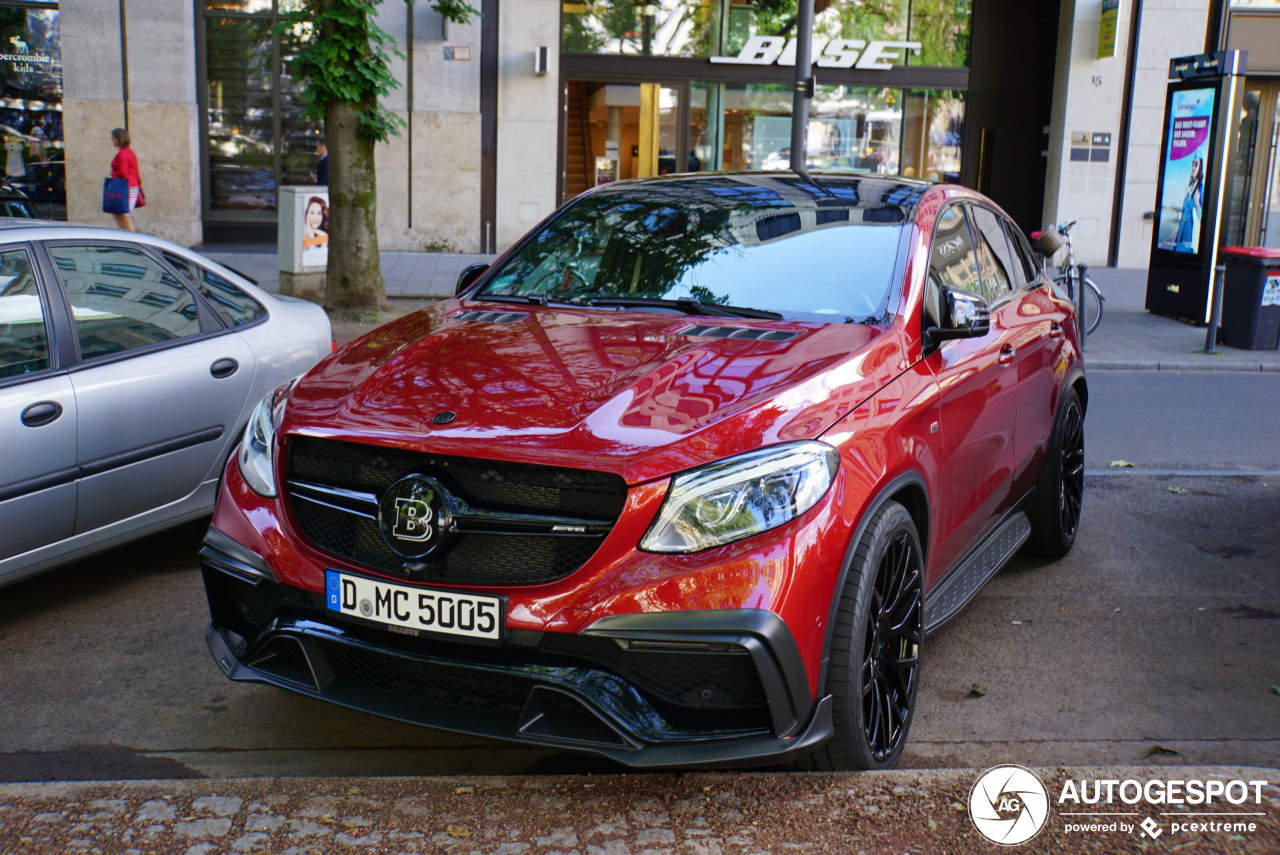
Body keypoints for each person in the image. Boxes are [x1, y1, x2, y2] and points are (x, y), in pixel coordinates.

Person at [108, 127, 141, 231]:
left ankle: (133, 239)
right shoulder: (129, 152)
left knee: (124, 215)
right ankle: (127, 236)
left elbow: (123, 172)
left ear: (118, 139)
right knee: (119, 214)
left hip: (126, 187)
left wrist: (113, 174)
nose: (112, 139)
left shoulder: (123, 153)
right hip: (131, 185)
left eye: (113, 137)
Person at [1174, 156, 1203, 252]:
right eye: (1192, 164)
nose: (1193, 167)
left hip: (1190, 239)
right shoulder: (1189, 186)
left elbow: (1203, 218)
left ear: (1200, 167)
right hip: (1181, 236)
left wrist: (1197, 203)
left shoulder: (1201, 188)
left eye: (1196, 164)